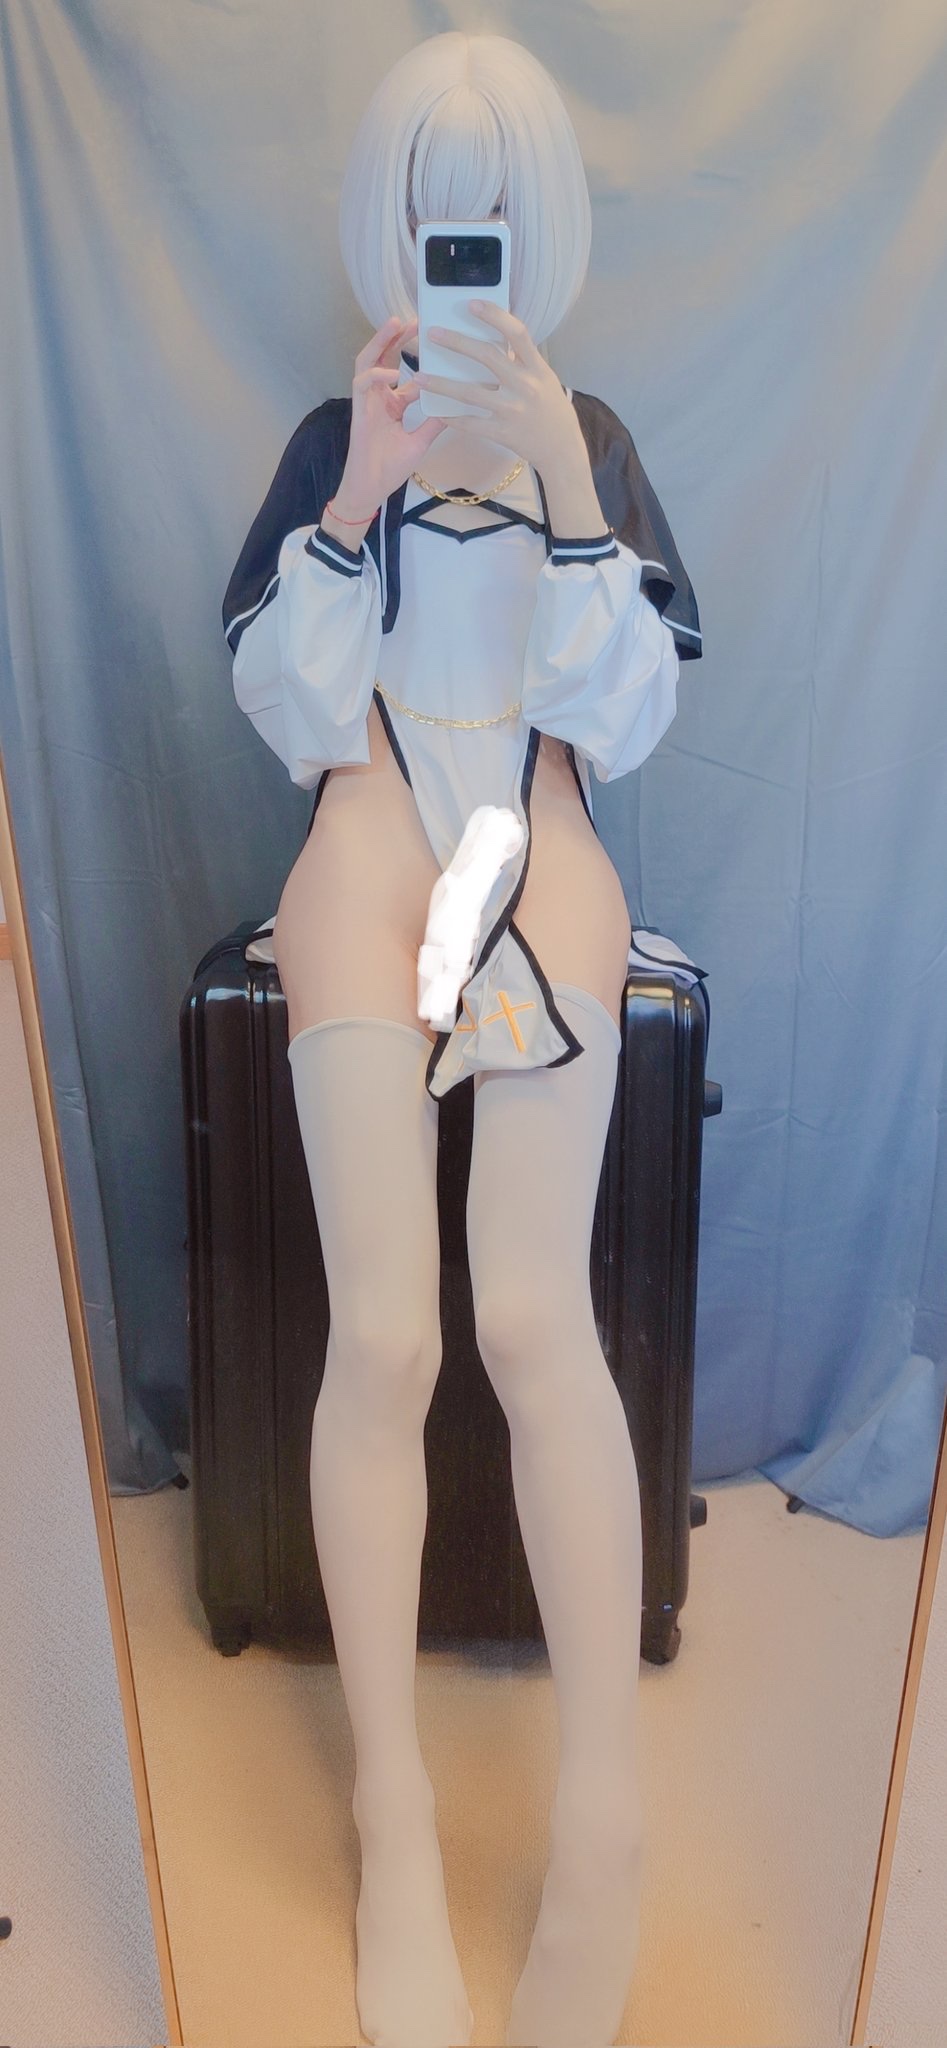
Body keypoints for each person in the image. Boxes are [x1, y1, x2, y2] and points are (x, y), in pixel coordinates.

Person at [222, 31, 701, 2048]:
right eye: (434, 224)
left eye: (488, 223)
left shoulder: (591, 435)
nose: (460, 260)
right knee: (390, 1334)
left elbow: (630, 713)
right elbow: (284, 702)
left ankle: (602, 1819)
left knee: (528, 1313)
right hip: (366, 833)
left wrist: (566, 482)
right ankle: (395, 1816)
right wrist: (360, 482)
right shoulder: (338, 433)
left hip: (539, 829)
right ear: (390, 229)